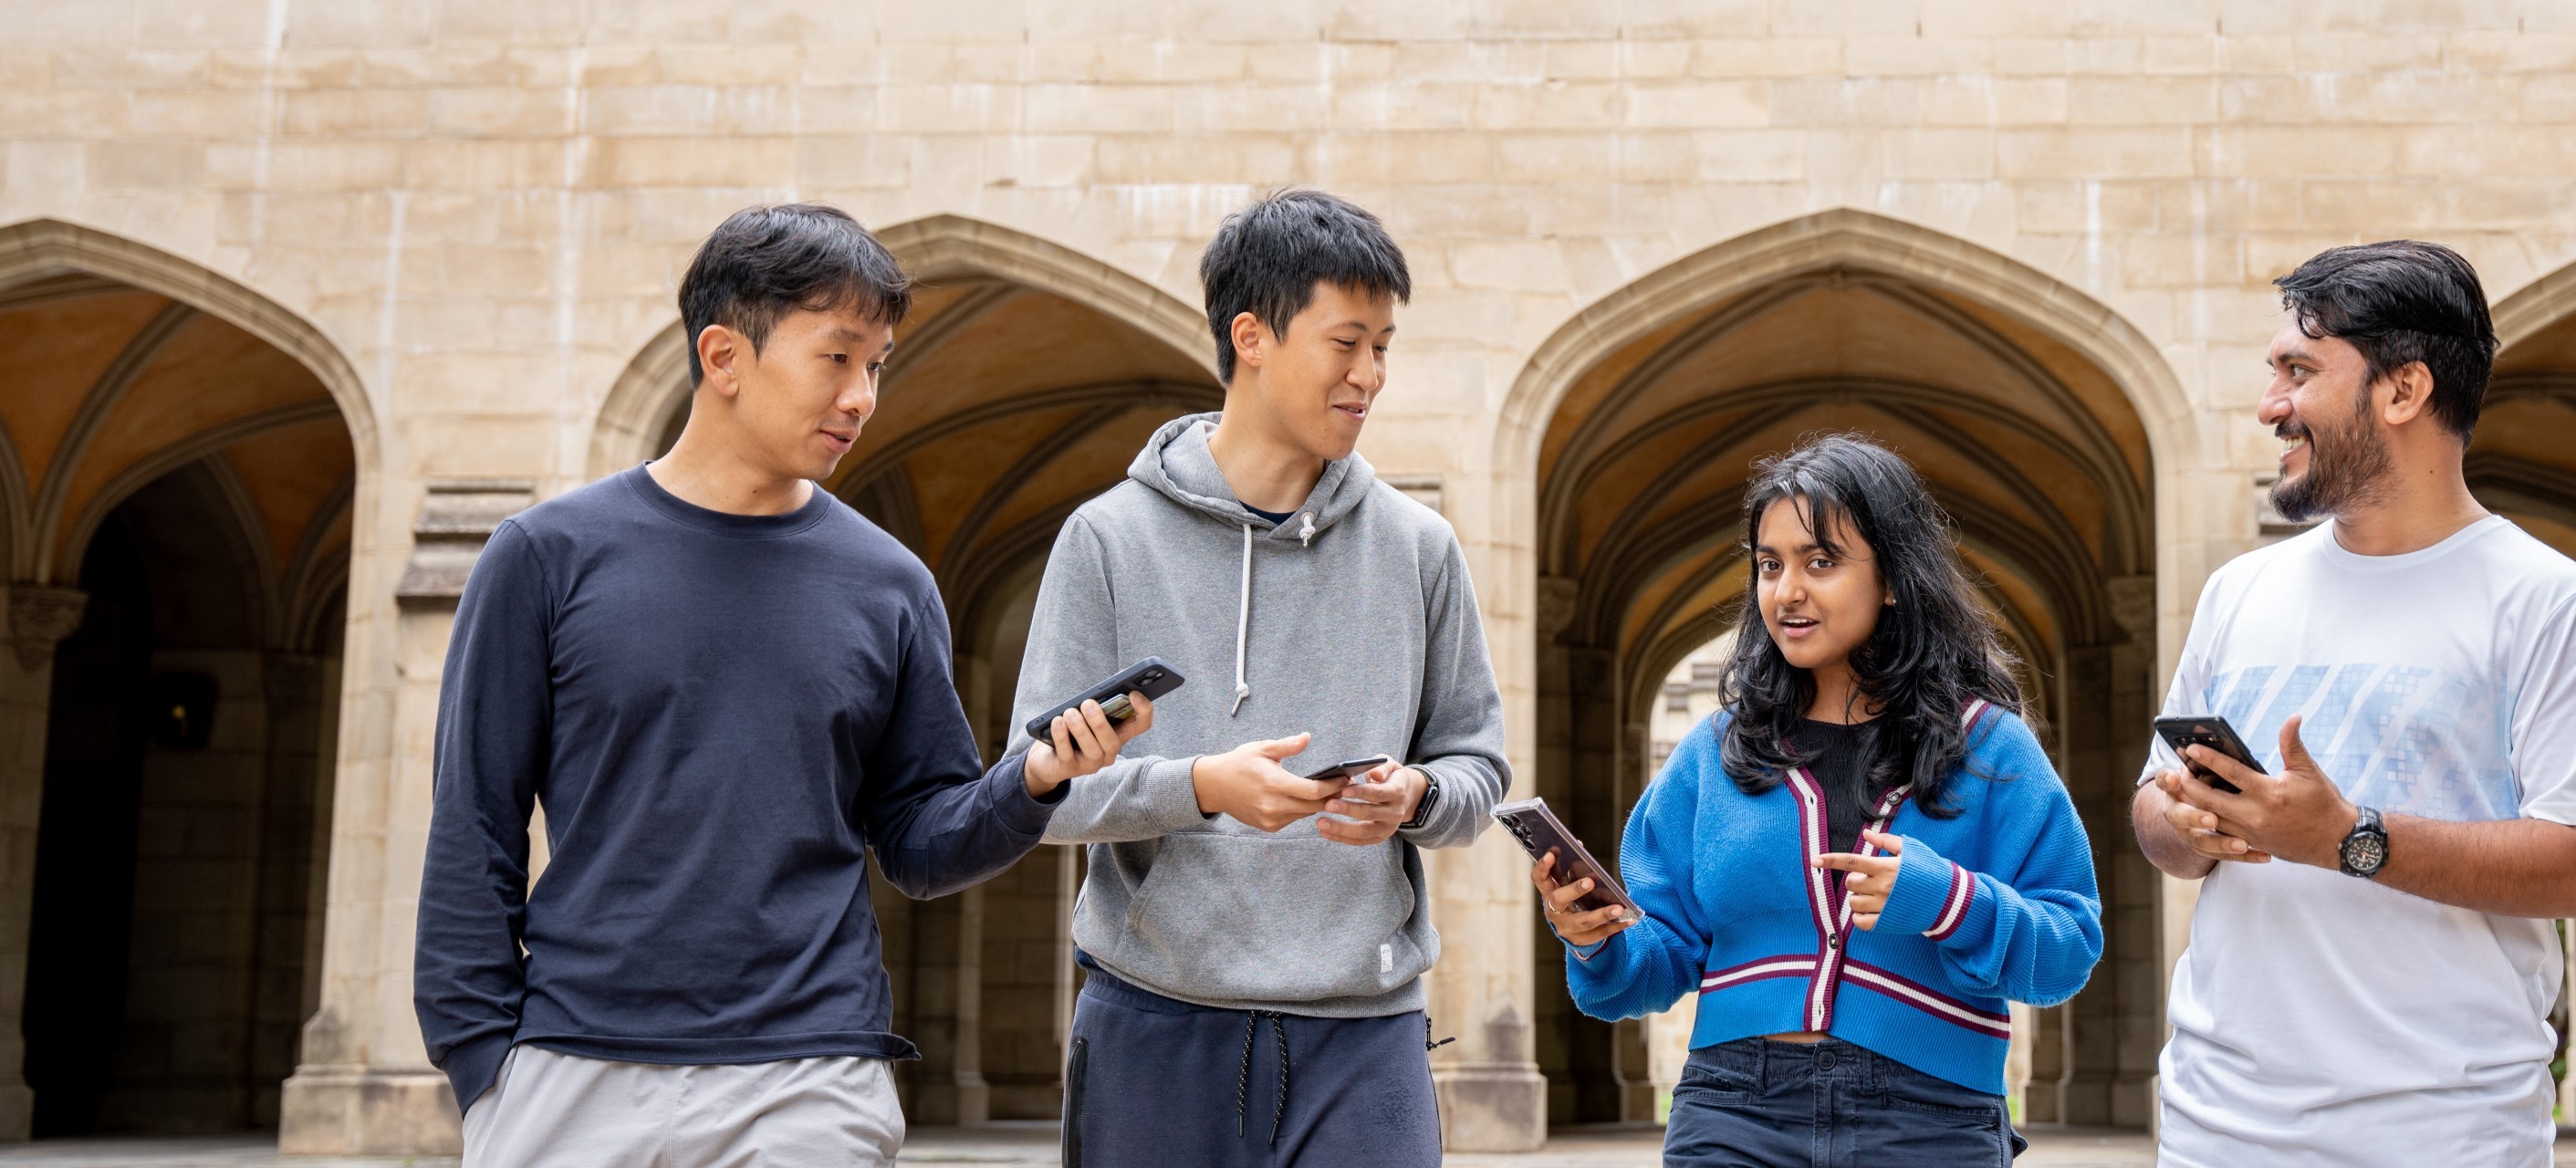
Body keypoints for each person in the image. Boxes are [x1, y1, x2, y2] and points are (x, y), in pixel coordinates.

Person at [414, 204, 1139, 1166]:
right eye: (836, 358)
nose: (863, 396)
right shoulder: (544, 558)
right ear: (724, 356)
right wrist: (483, 1067)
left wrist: (1034, 780)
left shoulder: (889, 583)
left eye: (877, 364)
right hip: (574, 1066)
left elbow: (920, 839)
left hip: (812, 1071)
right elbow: (475, 827)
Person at [1015, 188, 1508, 1167]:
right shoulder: (1106, 541)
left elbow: (1478, 775)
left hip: (1364, 1033)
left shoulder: (1421, 549)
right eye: (1347, 342)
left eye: (1385, 346)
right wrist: (1201, 788)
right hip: (1154, 1024)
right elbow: (1038, 792)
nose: (1370, 374)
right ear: (1252, 335)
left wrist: (1416, 793)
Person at [2131, 241, 2576, 1166]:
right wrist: (2180, 818)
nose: (2270, 406)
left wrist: (2345, 835)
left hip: (2440, 1131)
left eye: (2299, 372)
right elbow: (2157, 822)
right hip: (2219, 1124)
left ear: (2403, 390)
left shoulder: (2548, 602)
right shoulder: (2237, 592)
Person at [1538, 433, 2101, 1165]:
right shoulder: (1712, 754)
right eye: (1769, 565)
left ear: (1894, 577)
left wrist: (1948, 901)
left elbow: (2067, 952)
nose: (1786, 591)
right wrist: (1598, 940)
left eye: (1821, 562)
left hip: (1932, 1114)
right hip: (1732, 1108)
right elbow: (1652, 963)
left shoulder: (1990, 748)